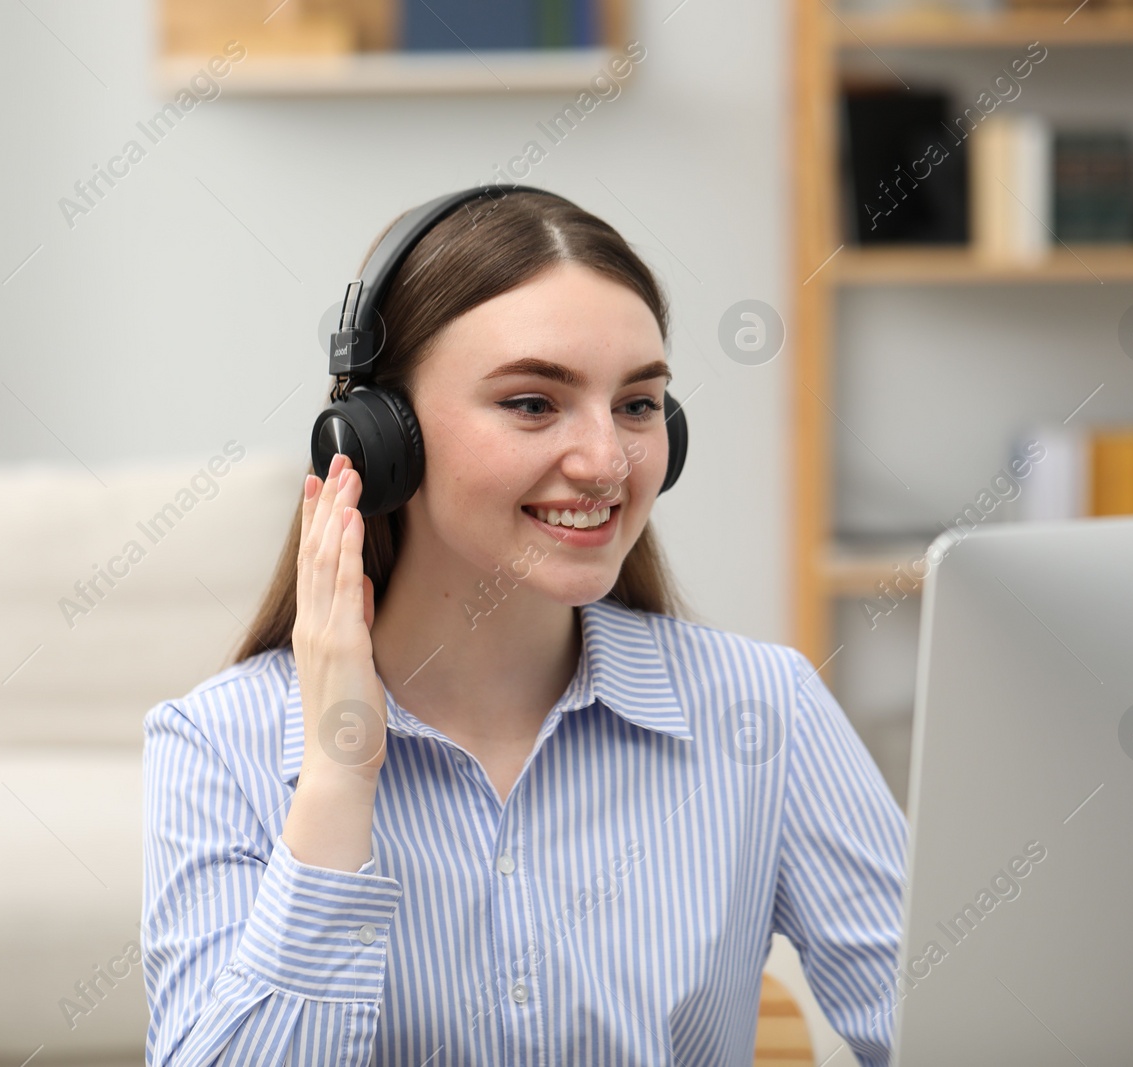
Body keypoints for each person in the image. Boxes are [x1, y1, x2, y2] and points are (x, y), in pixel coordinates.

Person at [141, 188, 907, 1066]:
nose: (607, 462)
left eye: (638, 404)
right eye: (534, 403)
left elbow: (958, 1026)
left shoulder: (768, 711)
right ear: (382, 439)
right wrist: (340, 776)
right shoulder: (216, 744)